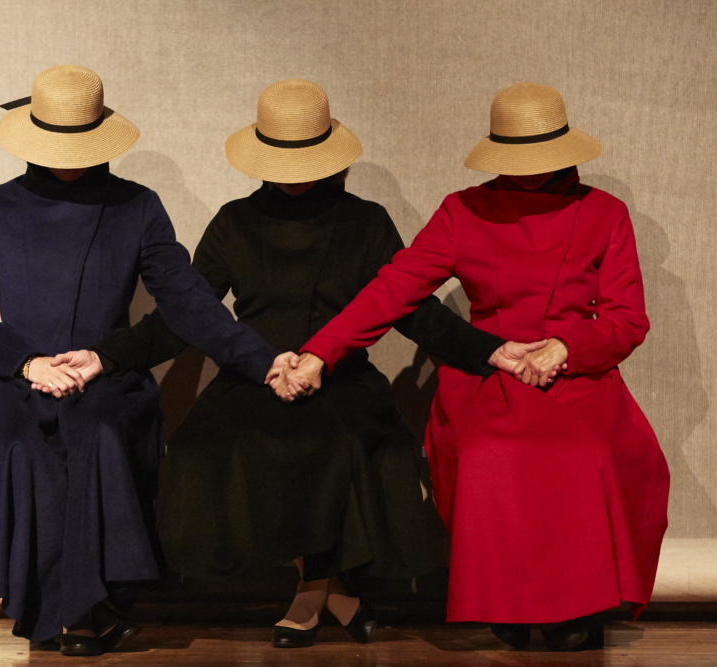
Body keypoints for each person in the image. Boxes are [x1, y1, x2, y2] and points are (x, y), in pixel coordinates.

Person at [54, 79, 541, 649]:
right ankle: (336, 594)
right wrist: (107, 357)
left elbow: (413, 310)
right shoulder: (235, 221)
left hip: (342, 377)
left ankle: (313, 592)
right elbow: (185, 314)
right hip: (253, 375)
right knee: (204, 447)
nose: (294, 170)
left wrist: (488, 350)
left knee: (336, 441)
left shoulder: (366, 221)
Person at [285, 83, 670, 651]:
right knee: (491, 452)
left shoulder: (605, 214)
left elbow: (626, 318)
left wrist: (567, 346)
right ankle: (507, 600)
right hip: (489, 373)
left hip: (577, 373)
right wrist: (323, 349)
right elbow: (393, 287)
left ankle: (580, 605)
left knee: (586, 452)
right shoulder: (462, 210)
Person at [0, 65, 296, 657]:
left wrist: (262, 362)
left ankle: (76, 614)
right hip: (19, 378)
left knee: (95, 432)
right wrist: (29, 365)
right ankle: (73, 610)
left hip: (105, 377)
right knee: (22, 443)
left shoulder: (136, 206)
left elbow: (188, 302)